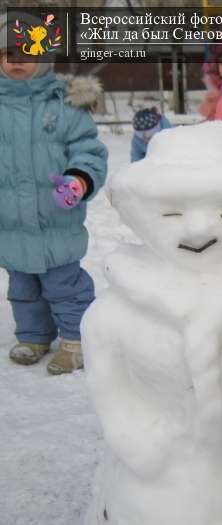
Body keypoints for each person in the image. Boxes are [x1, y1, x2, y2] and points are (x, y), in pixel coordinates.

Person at [0, 11, 108, 375]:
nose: (16, 61)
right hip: (9, 223)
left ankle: (77, 339)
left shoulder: (64, 105)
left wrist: (78, 179)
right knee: (22, 286)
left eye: (25, 53)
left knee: (65, 286)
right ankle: (32, 336)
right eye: (7, 53)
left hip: (55, 219)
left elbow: (88, 151)